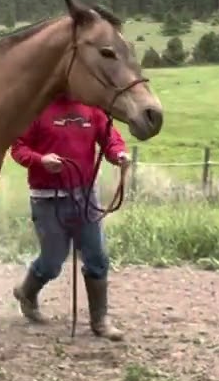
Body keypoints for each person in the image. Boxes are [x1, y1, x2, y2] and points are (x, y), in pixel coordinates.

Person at [9, 93, 130, 341]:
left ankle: (100, 320)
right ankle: (26, 292)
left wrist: (119, 155)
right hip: (47, 198)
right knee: (53, 261)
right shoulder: (36, 107)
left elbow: (110, 139)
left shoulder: (92, 107)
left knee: (96, 256)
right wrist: (40, 160)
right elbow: (18, 148)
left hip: (84, 196)